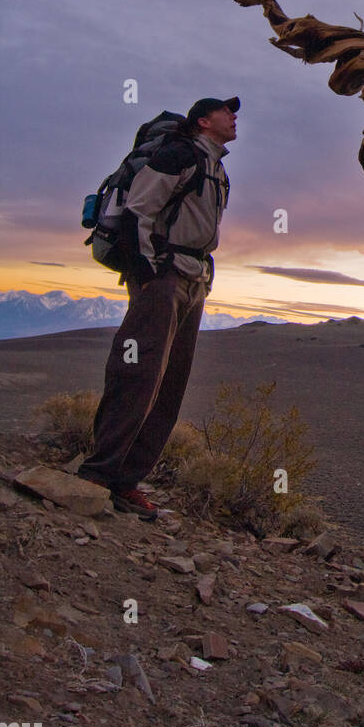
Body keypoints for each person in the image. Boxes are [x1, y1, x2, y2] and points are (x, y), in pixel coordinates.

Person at [78, 97, 239, 520]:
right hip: (164, 275)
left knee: (171, 382)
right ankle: (98, 474)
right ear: (203, 120)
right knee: (139, 372)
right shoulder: (178, 153)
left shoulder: (216, 167)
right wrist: (149, 274)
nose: (234, 117)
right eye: (226, 111)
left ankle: (126, 481)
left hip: (192, 278)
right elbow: (139, 210)